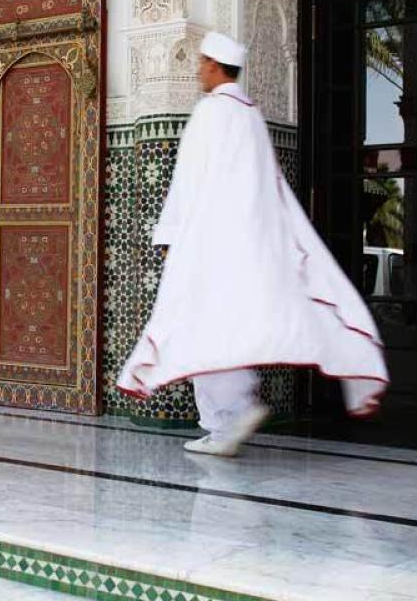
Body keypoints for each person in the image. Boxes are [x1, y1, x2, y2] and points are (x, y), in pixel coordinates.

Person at [117, 31, 388, 456]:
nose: (198, 72)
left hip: (207, 244)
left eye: (202, 64)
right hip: (247, 245)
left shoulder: (211, 113)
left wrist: (171, 237)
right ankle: (231, 414)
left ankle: (231, 416)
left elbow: (188, 180)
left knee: (201, 325)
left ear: (212, 66)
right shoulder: (251, 117)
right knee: (224, 324)